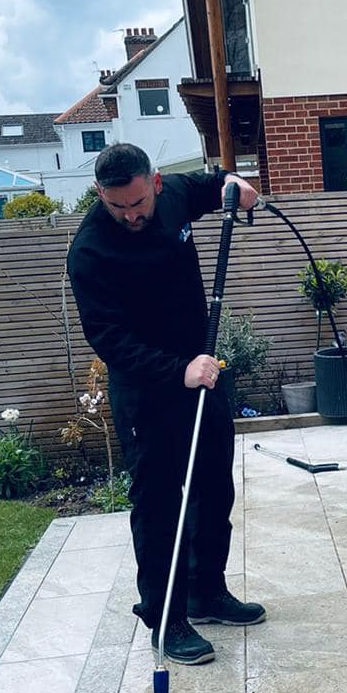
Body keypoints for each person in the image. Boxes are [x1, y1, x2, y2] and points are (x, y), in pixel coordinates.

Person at [66, 143, 265, 664]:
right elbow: (108, 339)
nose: (130, 216)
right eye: (117, 207)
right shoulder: (90, 252)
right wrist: (176, 371)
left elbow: (210, 184)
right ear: (100, 196)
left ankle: (206, 592)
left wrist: (235, 186)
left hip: (202, 373)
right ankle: (167, 619)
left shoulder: (172, 195)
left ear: (154, 184)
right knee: (159, 506)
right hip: (147, 390)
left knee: (213, 487)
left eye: (136, 204)